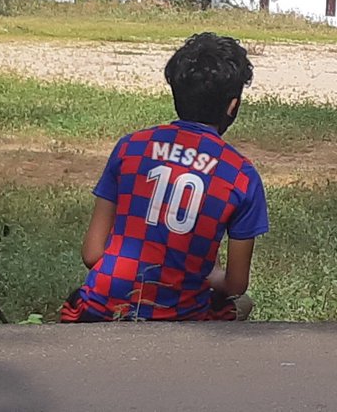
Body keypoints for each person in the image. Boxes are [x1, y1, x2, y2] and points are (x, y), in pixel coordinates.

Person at [60, 33, 268, 322]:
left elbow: (93, 254)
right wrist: (204, 270)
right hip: (181, 319)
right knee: (242, 304)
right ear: (232, 106)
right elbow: (235, 284)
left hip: (101, 310)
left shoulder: (130, 147)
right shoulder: (241, 176)